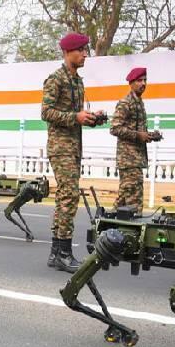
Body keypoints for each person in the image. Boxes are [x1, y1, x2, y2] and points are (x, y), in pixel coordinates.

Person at [41, 32, 105, 273]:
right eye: (81, 50)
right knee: (69, 196)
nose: (85, 54)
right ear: (68, 52)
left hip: (74, 145)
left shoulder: (77, 81)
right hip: (61, 147)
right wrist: (75, 117)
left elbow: (75, 116)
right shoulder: (55, 79)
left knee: (64, 198)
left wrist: (91, 118)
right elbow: (46, 112)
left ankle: (56, 252)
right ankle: (64, 253)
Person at [111, 67, 155, 212]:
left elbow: (137, 130)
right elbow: (115, 128)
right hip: (128, 159)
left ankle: (107, 221)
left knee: (124, 199)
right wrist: (138, 135)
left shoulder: (139, 102)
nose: (143, 83)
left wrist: (148, 135)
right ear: (131, 83)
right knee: (133, 201)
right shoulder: (126, 103)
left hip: (136, 158)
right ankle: (131, 224)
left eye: (145, 80)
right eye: (139, 80)